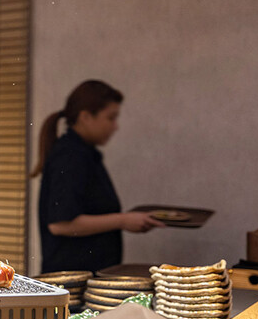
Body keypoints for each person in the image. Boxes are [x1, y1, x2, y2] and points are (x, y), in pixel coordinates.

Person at [31, 80, 163, 274]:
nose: (115, 126)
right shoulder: (70, 156)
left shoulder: (85, 154)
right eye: (110, 118)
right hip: (74, 286)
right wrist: (123, 220)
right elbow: (60, 224)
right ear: (85, 116)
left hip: (88, 279)